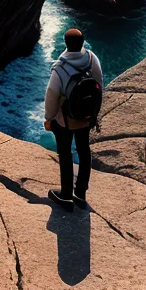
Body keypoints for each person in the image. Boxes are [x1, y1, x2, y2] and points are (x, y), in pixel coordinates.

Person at [44, 27, 103, 209]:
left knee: (65, 154)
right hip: (85, 117)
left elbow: (52, 94)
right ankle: (81, 194)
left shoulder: (60, 68)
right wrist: (93, 114)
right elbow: (99, 86)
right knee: (84, 152)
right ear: (82, 43)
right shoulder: (93, 59)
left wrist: (48, 118)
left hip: (65, 120)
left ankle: (66, 195)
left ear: (66, 43)